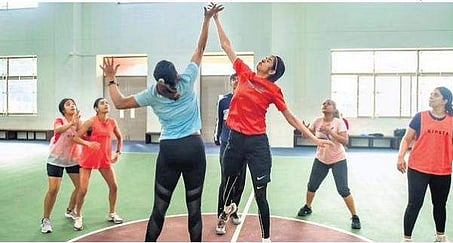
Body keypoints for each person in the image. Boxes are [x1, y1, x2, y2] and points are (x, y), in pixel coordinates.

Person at [99, 4, 223, 242]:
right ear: (176, 74)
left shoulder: (152, 93)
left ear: (158, 79)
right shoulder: (187, 79)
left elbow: (120, 103)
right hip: (194, 148)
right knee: (194, 209)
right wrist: (207, 19)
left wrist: (112, 79)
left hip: (169, 150)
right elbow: (201, 47)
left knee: (159, 207)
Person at [211, 5, 333, 241]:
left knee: (260, 194)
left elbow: (290, 116)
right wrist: (216, 19)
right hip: (234, 139)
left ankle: (266, 238)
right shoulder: (245, 74)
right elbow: (227, 46)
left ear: (273, 70)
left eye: (269, 60)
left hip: (257, 143)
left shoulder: (273, 90)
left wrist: (314, 137)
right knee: (228, 181)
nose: (265, 59)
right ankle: (225, 214)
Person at [397, 87, 453, 242]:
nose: (431, 97)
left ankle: (440, 236)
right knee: (414, 204)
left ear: (445, 101)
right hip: (418, 168)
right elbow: (407, 139)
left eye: (435, 95)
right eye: (431, 94)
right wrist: (401, 157)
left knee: (440, 205)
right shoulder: (420, 117)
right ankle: (407, 239)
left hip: (443, 170)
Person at [296, 99, 361, 230]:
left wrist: (330, 132)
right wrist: (302, 130)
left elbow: (345, 141)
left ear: (334, 109)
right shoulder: (317, 121)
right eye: (324, 104)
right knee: (312, 185)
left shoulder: (339, 123)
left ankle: (355, 216)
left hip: (338, 160)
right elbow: (306, 136)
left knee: (343, 189)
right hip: (321, 159)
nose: (325, 105)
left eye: (328, 104)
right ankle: (308, 207)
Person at [72, 97, 124, 231]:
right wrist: (88, 143)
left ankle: (112, 213)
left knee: (114, 187)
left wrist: (118, 152)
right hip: (87, 160)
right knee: (83, 190)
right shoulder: (90, 122)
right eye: (102, 103)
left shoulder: (112, 122)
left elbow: (119, 137)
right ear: (96, 108)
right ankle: (78, 217)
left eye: (107, 103)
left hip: (104, 160)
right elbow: (76, 137)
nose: (106, 104)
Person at [41, 98, 82, 233]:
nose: (72, 106)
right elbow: (58, 130)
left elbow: (84, 136)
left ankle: (70, 210)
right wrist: (72, 123)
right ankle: (46, 220)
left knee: (81, 187)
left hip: (73, 159)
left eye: (73, 104)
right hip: (56, 159)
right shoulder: (60, 121)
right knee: (53, 190)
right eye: (68, 104)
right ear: (63, 110)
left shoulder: (80, 123)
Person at [213, 73, 246, 234]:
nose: (236, 81)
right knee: (226, 180)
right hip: (227, 144)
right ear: (231, 82)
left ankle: (233, 209)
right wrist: (217, 136)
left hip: (244, 144)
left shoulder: (248, 99)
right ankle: (221, 216)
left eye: (239, 79)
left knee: (240, 181)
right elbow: (219, 121)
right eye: (234, 79)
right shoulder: (224, 101)